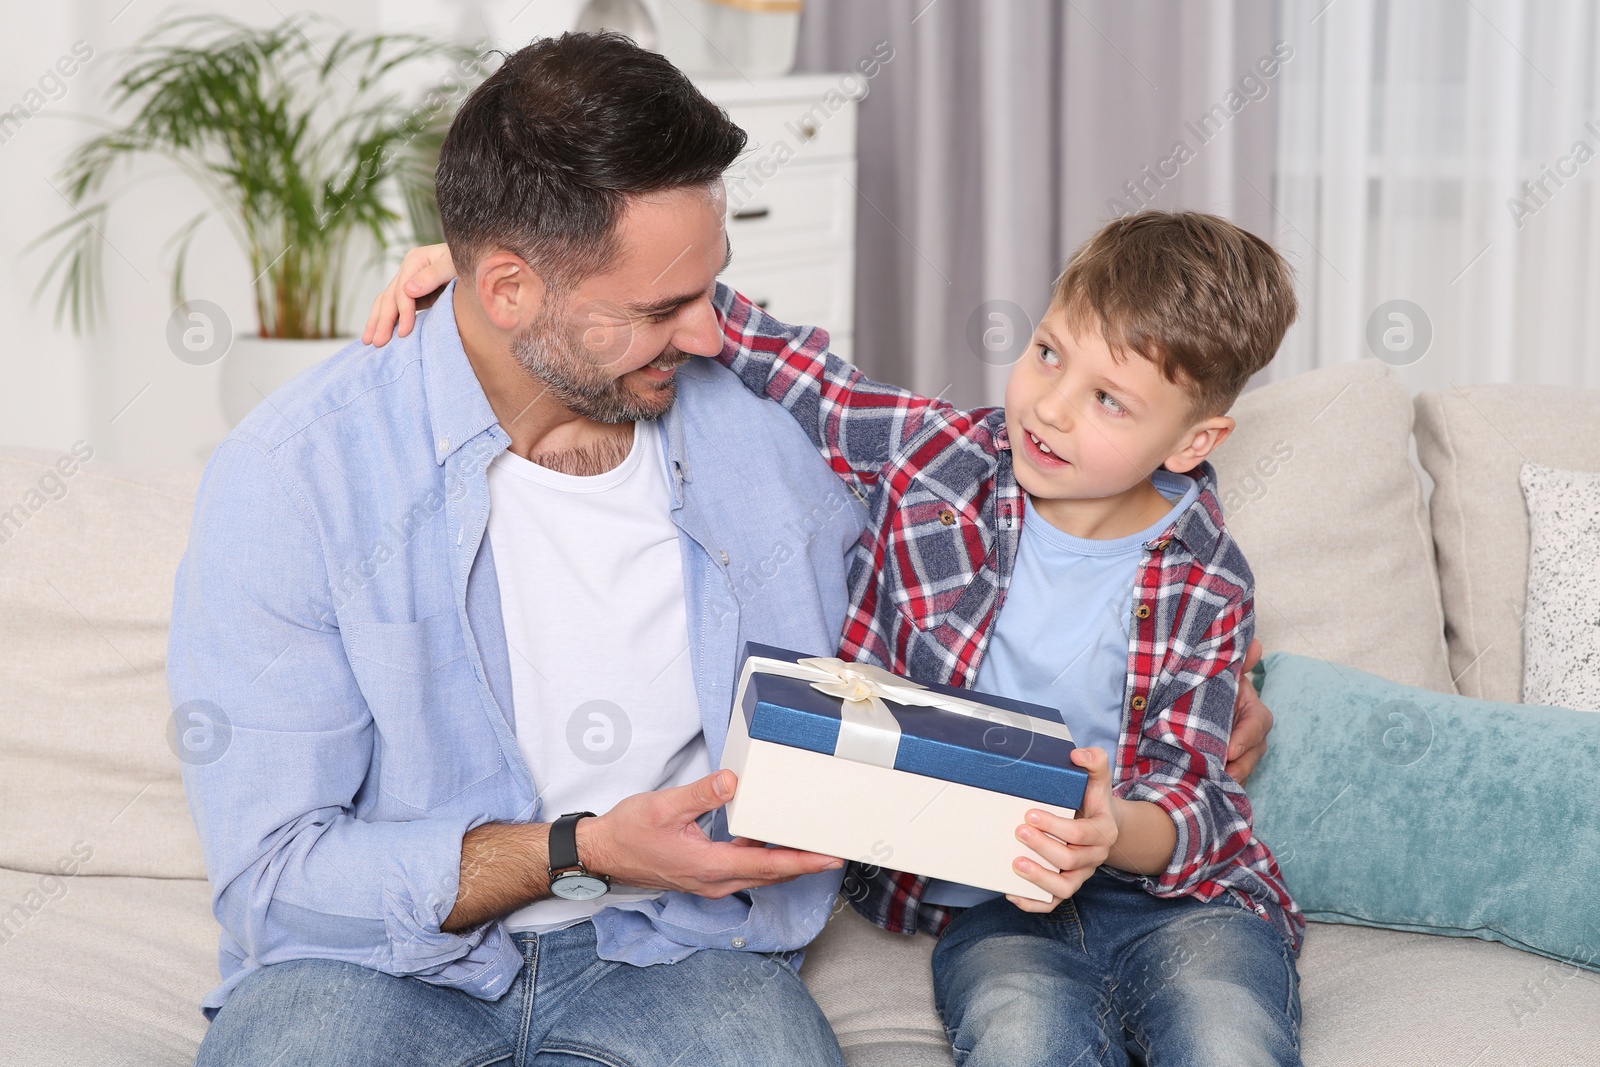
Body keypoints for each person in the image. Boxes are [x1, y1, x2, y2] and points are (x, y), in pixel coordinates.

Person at [369, 209, 1303, 1065]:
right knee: (1023, 1037)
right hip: (992, 911)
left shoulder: (1208, 576)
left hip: (1182, 901)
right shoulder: (937, 460)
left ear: (1191, 442)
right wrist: (516, 276)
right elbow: (779, 356)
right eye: (1050, 354)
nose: (1052, 407)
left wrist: (1109, 832)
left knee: (1223, 1029)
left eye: (1110, 400)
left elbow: (1197, 796)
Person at [170, 33, 867, 1067]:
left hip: (679, 951)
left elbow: (1000, 485)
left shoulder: (765, 443)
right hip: (373, 967)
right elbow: (275, 879)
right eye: (661, 307)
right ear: (507, 290)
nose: (716, 336)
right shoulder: (295, 475)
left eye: (713, 289)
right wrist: (580, 851)